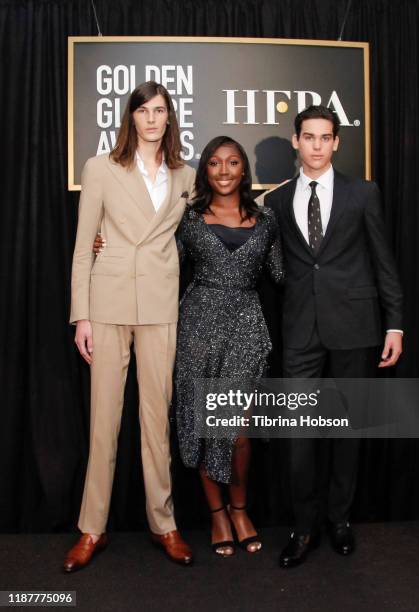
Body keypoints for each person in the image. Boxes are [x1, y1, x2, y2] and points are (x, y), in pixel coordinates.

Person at [64, 81, 196, 572]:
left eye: (159, 110)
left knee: (155, 422)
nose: (151, 118)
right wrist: (82, 315)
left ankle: (165, 524)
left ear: (169, 117)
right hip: (109, 301)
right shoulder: (100, 168)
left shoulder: (186, 174)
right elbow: (82, 247)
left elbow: (200, 229)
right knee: (104, 422)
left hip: (161, 305)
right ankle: (91, 529)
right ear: (131, 117)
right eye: (142, 110)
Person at [265, 105, 403, 568]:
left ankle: (340, 520)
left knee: (348, 431)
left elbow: (383, 261)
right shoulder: (277, 201)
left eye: (326, 137)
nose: (318, 145)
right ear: (295, 141)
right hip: (301, 329)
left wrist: (395, 323)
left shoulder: (362, 193)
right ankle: (303, 527)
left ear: (337, 142)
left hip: (356, 326)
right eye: (309, 137)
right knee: (299, 435)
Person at [174, 136, 284, 556]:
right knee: (205, 426)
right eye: (215, 163)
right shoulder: (189, 219)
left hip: (246, 327)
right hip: (198, 326)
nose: (223, 171)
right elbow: (162, 265)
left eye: (232, 162)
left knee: (237, 430)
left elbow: (281, 273)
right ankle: (217, 514)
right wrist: (106, 249)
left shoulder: (267, 220)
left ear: (243, 171)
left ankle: (240, 509)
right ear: (205, 171)